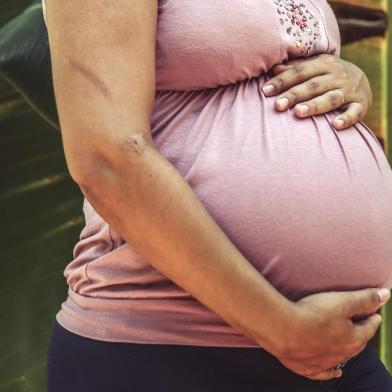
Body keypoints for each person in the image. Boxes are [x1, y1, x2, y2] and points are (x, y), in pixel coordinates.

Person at [42, 0, 392, 390]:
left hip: (332, 355)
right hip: (168, 349)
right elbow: (105, 157)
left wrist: (350, 76)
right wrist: (280, 327)